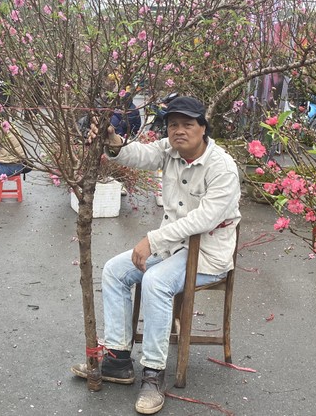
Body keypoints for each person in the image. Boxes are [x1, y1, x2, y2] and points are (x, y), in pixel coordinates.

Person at [71, 96, 241, 415]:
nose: (179, 131)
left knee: (156, 282)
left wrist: (152, 239)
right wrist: (115, 141)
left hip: (206, 256)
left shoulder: (223, 167)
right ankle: (119, 361)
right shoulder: (169, 150)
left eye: (187, 124)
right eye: (173, 124)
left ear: (203, 128)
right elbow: (140, 155)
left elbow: (204, 219)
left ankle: (153, 374)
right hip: (173, 248)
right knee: (114, 271)